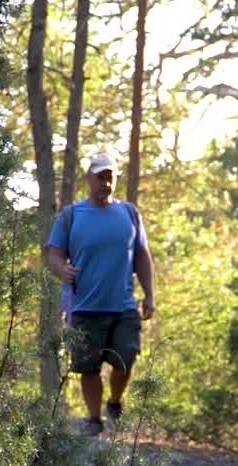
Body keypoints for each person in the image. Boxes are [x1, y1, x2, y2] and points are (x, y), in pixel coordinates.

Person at [45, 154, 156, 435]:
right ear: (88, 179)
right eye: (100, 177)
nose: (105, 183)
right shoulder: (71, 216)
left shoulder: (129, 214)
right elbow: (54, 254)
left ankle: (115, 401)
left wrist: (150, 295)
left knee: (126, 357)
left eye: (110, 177)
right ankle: (94, 420)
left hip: (123, 305)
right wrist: (62, 271)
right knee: (88, 367)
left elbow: (142, 256)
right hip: (84, 306)